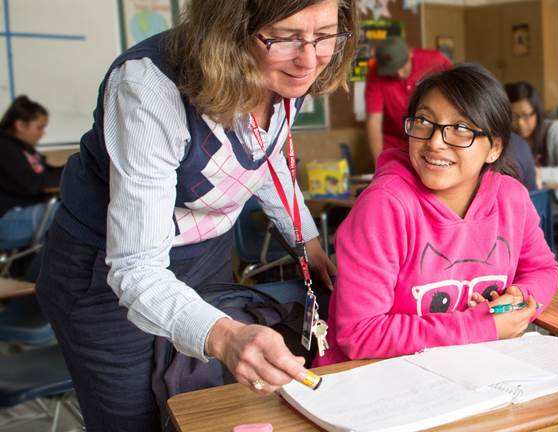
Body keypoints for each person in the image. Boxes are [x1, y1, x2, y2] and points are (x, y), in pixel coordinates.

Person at [35, 0, 357, 430]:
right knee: (139, 419)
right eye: (285, 37)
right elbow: (136, 269)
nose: (309, 59)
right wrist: (225, 336)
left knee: (206, 407)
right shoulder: (150, 88)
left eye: (325, 36)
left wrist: (308, 243)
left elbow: (264, 155)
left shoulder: (288, 73)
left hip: (205, 254)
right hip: (105, 271)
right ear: (231, 28)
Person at [317, 64, 558, 366]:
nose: (434, 142)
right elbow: (359, 333)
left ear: (494, 148)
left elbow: (544, 271)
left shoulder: (511, 197)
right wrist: (481, 326)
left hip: (470, 370)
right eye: (424, 122)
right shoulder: (385, 205)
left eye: (460, 129)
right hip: (373, 379)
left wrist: (520, 296)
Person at [505, 81, 558, 235]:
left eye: (526, 115)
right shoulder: (510, 139)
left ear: (537, 111)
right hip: (528, 202)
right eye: (514, 117)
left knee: (524, 214)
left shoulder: (557, 130)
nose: (521, 124)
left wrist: (538, 173)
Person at [365, 36, 452, 163]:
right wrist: (379, 164)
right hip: (396, 144)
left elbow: (457, 93)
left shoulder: (436, 60)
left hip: (432, 138)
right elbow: (374, 122)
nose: (399, 74)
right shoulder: (375, 75)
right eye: (392, 71)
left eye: (402, 66)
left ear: (410, 53)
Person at [0, 95, 61, 245]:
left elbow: (47, 174)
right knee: (71, 213)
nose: (42, 133)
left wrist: (75, 168)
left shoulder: (25, 150)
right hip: (8, 219)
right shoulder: (4, 148)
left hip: (25, 213)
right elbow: (34, 183)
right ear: (20, 125)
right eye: (39, 128)